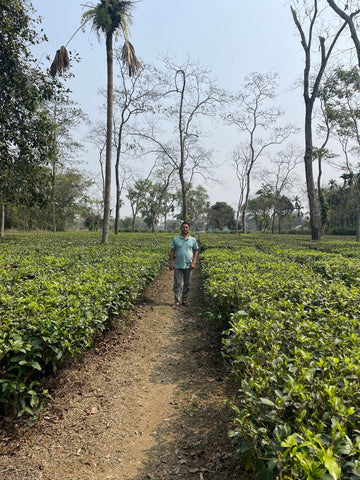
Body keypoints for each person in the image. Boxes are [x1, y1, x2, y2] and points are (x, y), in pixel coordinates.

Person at [169, 221, 199, 309]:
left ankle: (184, 299)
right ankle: (176, 301)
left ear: (189, 229)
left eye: (186, 227)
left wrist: (194, 262)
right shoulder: (175, 239)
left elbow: (196, 251)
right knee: (177, 283)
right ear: (180, 228)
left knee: (187, 283)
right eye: (183, 227)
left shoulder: (192, 240)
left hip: (188, 265)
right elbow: (172, 251)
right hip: (178, 265)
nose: (185, 229)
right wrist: (171, 262)